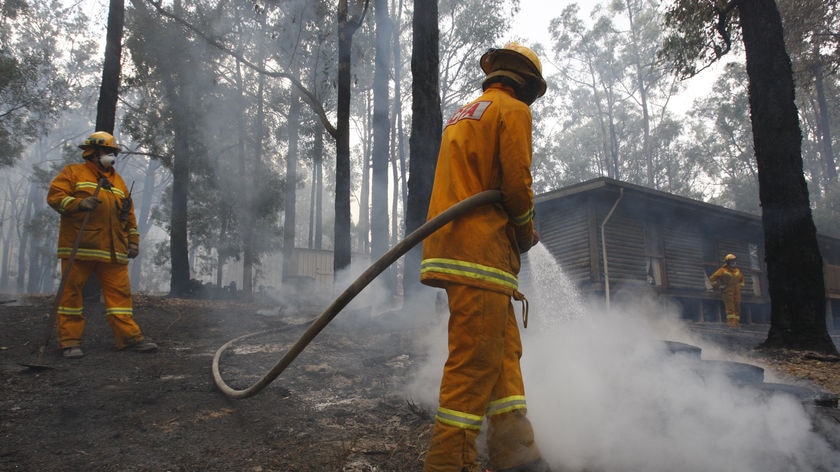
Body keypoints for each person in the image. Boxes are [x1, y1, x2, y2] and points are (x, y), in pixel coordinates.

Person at [419, 42, 551, 472]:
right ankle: (448, 463)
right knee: (474, 364)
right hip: (480, 251)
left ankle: (516, 452)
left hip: (462, 249)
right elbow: (517, 184)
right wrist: (524, 228)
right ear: (528, 84)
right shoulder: (513, 111)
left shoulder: (464, 114)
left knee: (503, 355)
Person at [47, 131, 157, 358]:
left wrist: (133, 242)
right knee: (71, 295)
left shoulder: (118, 182)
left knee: (120, 297)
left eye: (113, 152)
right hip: (80, 246)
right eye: (107, 151)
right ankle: (70, 341)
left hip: (113, 250)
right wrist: (78, 203)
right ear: (92, 153)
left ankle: (129, 338)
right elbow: (55, 197)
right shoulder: (73, 173)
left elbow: (129, 215)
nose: (110, 155)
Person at [709, 253, 745, 328]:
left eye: (734, 260)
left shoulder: (738, 271)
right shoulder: (722, 270)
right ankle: (731, 324)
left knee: (737, 307)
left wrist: (740, 286)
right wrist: (718, 286)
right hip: (728, 292)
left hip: (737, 292)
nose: (733, 262)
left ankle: (736, 324)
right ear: (727, 262)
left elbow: (742, 281)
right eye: (731, 261)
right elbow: (712, 279)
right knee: (730, 308)